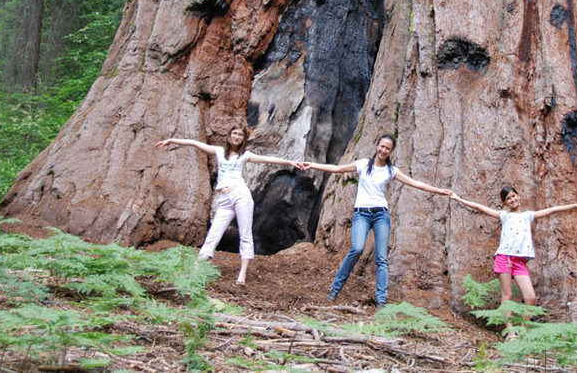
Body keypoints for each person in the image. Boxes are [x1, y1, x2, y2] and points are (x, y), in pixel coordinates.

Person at [301, 134, 452, 309]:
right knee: (357, 248)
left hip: (381, 215)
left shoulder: (391, 171)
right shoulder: (363, 164)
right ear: (376, 146)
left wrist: (439, 191)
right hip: (362, 214)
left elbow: (415, 183)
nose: (383, 150)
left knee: (381, 258)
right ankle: (335, 289)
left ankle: (381, 301)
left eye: (387, 148)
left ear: (391, 151)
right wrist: (311, 164)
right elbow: (336, 169)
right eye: (382, 146)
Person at [155, 124, 299, 285]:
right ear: (229, 135)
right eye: (234, 133)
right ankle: (196, 270)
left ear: (244, 138)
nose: (237, 137)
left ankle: (242, 274)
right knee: (213, 233)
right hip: (224, 199)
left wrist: (290, 163)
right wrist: (171, 140)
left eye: (240, 135)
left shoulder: (244, 155)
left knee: (245, 233)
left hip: (240, 195)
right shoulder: (219, 151)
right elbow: (194, 143)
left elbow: (268, 159)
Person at [450, 186, 577, 310]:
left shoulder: (528, 216)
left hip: (519, 262)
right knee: (507, 295)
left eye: (513, 196)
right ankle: (510, 332)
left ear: (518, 196)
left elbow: (552, 210)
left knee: (530, 297)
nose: (512, 200)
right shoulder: (504, 215)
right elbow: (479, 207)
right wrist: (459, 199)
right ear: (504, 203)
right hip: (505, 257)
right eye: (508, 199)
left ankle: (523, 329)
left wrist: (574, 206)